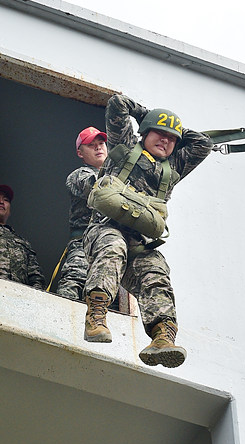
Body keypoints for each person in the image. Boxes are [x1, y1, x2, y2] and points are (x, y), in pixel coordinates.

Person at [83, 93, 212, 368]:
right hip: (103, 231)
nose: (165, 140)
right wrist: (145, 116)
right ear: (145, 132)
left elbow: (204, 144)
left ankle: (161, 338)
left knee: (156, 271)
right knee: (113, 246)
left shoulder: (173, 166)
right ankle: (96, 317)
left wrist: (174, 128)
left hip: (139, 244)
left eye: (172, 138)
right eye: (159, 133)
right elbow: (118, 104)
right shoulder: (125, 146)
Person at [56, 126, 108, 300]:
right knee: (72, 286)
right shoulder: (79, 175)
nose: (98, 147)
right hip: (84, 246)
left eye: (101, 143)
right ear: (80, 153)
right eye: (91, 145)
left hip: (108, 248)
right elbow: (96, 187)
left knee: (105, 293)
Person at [0, 185, 45, 290]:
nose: (1, 202)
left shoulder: (22, 241)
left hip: (19, 296)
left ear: (9, 210)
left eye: (6, 200)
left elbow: (36, 274)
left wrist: (36, 294)